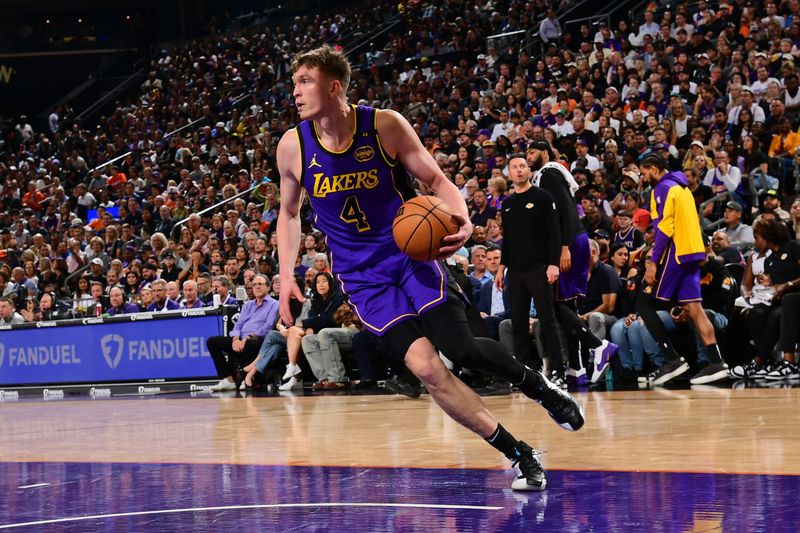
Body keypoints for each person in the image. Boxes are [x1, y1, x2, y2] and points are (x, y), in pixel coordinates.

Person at [276, 46, 582, 492]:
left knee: (462, 349)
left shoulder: (383, 125)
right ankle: (520, 452)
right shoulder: (293, 145)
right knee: (427, 370)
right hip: (363, 279)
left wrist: (463, 218)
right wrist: (286, 276)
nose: (296, 91)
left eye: (305, 81)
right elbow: (288, 215)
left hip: (409, 256)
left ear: (333, 85)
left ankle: (540, 387)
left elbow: (437, 181)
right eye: (295, 82)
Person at [526, 141, 617, 386]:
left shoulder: (549, 174)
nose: (529, 157)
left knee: (554, 305)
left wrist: (563, 248)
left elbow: (566, 210)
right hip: (574, 240)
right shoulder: (551, 174)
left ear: (545, 152)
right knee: (566, 306)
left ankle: (597, 347)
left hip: (569, 243)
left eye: (532, 152)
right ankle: (576, 369)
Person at [636, 153, 729, 385]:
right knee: (694, 307)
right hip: (693, 253)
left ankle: (671, 359)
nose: (643, 177)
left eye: (644, 171)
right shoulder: (683, 188)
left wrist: (652, 262)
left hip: (675, 253)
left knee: (643, 301)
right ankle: (717, 363)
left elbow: (664, 229)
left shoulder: (662, 189)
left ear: (654, 168)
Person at [207, 274, 280, 391]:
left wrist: (246, 339)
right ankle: (228, 379)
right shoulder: (248, 305)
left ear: (268, 287)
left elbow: (267, 327)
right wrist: (236, 339)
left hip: (258, 340)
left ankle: (247, 378)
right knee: (212, 342)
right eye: (254, 285)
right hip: (240, 340)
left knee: (251, 343)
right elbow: (238, 325)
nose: (256, 287)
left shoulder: (274, 304)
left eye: (260, 284)